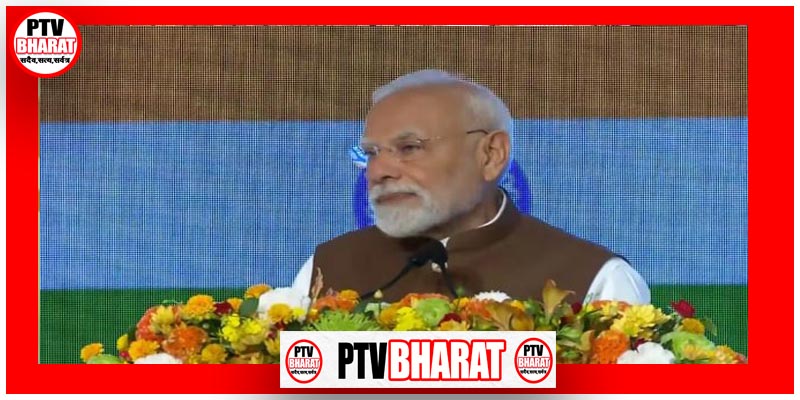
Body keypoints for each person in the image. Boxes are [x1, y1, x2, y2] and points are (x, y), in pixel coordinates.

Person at [292, 69, 649, 304]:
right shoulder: (326, 270)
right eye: (371, 153)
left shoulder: (594, 280)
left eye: (410, 147)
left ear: (491, 155)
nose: (378, 171)